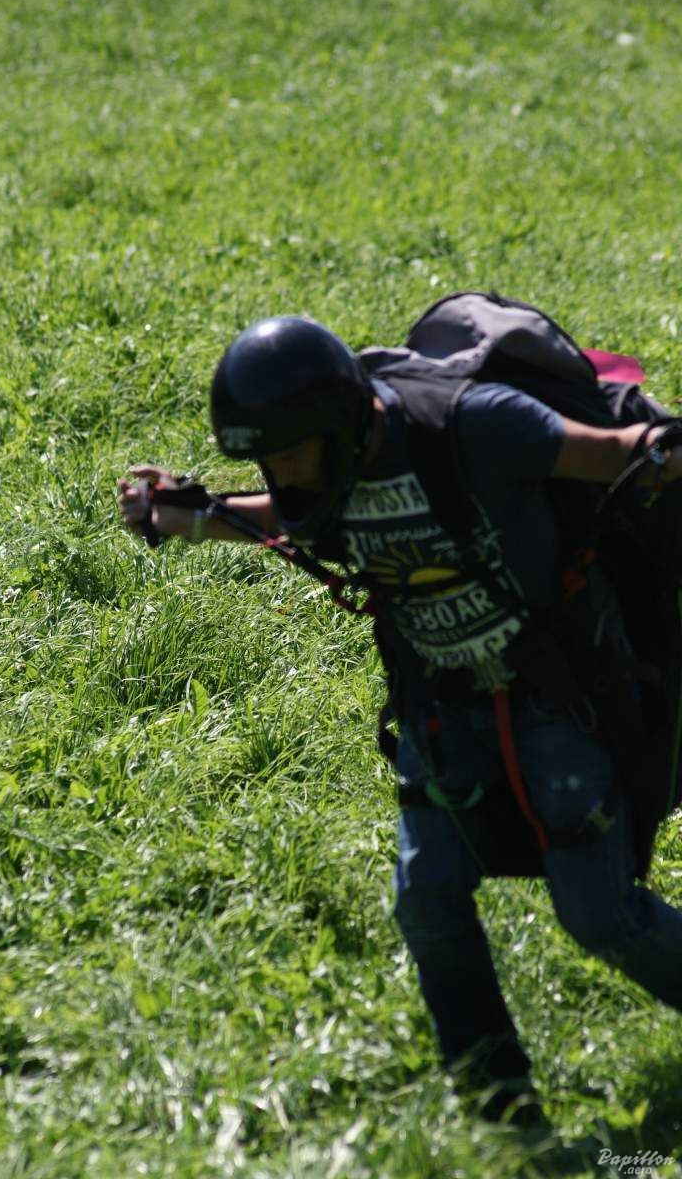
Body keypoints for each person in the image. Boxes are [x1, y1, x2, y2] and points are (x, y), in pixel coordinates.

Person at [118, 310, 682, 1126]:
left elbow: (615, 454)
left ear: (342, 424)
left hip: (556, 699)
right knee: (427, 901)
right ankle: (497, 1111)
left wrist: (661, 448)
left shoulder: (476, 425)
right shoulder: (324, 466)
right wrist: (193, 516)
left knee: (599, 915)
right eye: (266, 460)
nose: (280, 474)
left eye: (289, 454)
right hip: (438, 705)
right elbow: (294, 516)